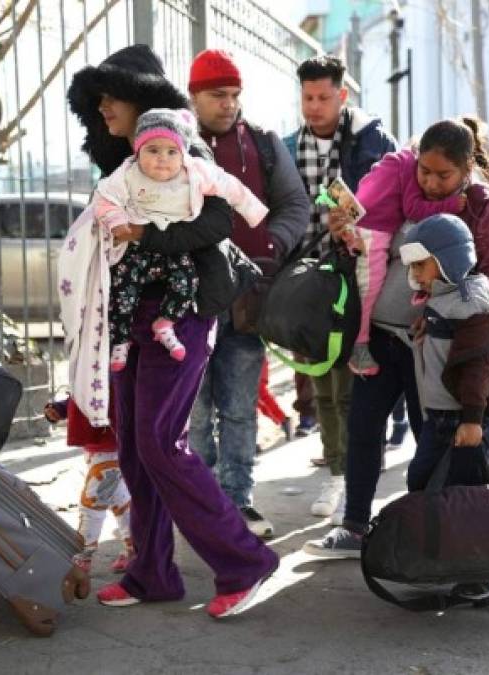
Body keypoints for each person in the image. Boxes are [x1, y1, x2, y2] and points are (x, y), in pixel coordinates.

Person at [66, 44, 278, 619]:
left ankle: (244, 560)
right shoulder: (126, 164)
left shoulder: (185, 151)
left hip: (181, 313)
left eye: (110, 95)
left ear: (139, 96)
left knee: (161, 440)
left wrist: (144, 235)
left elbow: (216, 222)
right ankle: (152, 572)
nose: (104, 107)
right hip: (130, 316)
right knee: (135, 442)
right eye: (96, 101)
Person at [304, 116, 489, 558]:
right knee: (363, 430)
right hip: (379, 337)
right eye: (425, 171)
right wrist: (344, 231)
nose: (432, 183)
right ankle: (354, 526)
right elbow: (369, 248)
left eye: (444, 175)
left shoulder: (483, 208)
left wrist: (455, 319)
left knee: (432, 443)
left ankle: (435, 531)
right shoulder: (398, 185)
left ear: (467, 169)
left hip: (438, 350)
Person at [186, 49, 309, 538]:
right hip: (189, 303)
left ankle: (237, 503)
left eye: (235, 95)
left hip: (247, 300)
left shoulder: (262, 143)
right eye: (219, 95)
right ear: (193, 96)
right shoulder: (170, 144)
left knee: (239, 409)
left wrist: (273, 244)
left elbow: (295, 203)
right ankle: (199, 502)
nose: (229, 104)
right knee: (194, 413)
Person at [284, 54, 398, 522]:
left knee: (353, 381)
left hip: (359, 274)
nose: (314, 107)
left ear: (342, 95)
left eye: (323, 97)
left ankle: (355, 478)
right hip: (309, 277)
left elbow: (391, 205)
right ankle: (336, 471)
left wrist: (353, 223)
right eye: (307, 97)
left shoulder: (372, 141)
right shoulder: (288, 147)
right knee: (322, 385)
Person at [400, 213, 489, 598]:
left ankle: (485, 573)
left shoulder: (470, 304)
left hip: (462, 421)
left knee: (469, 497)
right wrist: (425, 328)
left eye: (421, 263)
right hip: (442, 419)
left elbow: (477, 366)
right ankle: (444, 560)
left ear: (448, 259)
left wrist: (472, 420)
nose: (416, 273)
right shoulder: (448, 296)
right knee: (425, 483)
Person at [93, 107, 268, 370]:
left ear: (183, 153)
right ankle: (120, 341)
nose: (162, 159)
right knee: (123, 289)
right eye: (153, 150)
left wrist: (254, 214)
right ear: (138, 151)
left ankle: (165, 323)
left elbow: (231, 186)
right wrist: (117, 222)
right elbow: (104, 198)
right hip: (138, 248)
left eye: (171, 151)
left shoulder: (195, 172)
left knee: (186, 283)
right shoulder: (127, 173)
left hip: (176, 247)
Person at [43, 397, 133, 574]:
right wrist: (61, 408)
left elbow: (93, 388)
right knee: (120, 501)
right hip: (103, 444)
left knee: (93, 503)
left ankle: (83, 556)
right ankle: (134, 548)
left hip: (108, 443)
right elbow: (83, 390)